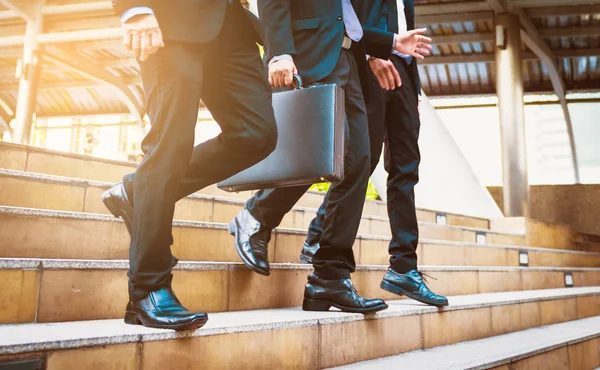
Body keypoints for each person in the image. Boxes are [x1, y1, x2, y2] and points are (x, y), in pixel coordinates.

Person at [229, 0, 432, 313]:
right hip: (311, 51)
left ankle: (329, 276)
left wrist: (389, 42)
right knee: (317, 151)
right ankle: (257, 216)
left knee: (356, 162)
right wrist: (280, 52)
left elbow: (346, 14)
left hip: (347, 53)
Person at [102, 0, 278, 330]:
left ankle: (136, 191)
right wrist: (134, 8)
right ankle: (149, 287)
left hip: (231, 26)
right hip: (172, 20)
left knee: (257, 134)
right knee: (170, 145)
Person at [300, 0, 449, 307]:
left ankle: (404, 268)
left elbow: (403, 26)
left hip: (404, 74)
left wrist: (414, 89)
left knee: (406, 169)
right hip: (369, 67)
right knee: (361, 161)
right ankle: (318, 235)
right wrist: (369, 55)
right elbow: (345, 17)